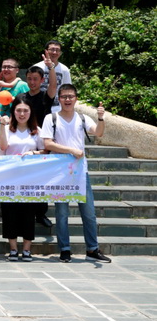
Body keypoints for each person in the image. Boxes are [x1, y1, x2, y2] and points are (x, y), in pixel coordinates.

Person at [40, 84, 111, 263]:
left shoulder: (82, 118)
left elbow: (99, 133)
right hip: (60, 172)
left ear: (76, 99)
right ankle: (65, 249)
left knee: (89, 213)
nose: (67, 100)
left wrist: (101, 118)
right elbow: (47, 143)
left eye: (71, 96)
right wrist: (71, 150)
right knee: (62, 213)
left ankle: (92, 249)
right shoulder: (51, 118)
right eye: (64, 96)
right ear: (59, 99)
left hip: (80, 172)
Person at [0, 95, 46, 262]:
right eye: (19, 110)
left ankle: (26, 249)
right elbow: (2, 147)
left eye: (25, 110)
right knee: (9, 213)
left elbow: (45, 151)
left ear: (31, 112)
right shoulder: (6, 129)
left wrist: (33, 153)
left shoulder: (37, 131)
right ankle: (13, 249)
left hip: (30, 180)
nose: (22, 114)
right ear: (13, 112)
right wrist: (2, 125)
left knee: (28, 214)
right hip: (9, 179)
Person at [24, 57, 57, 229]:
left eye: (35, 79)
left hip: (43, 142)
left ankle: (41, 213)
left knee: (42, 179)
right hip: (25, 141)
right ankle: (25, 210)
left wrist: (51, 67)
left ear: (41, 80)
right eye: (29, 79)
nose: (32, 82)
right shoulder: (21, 97)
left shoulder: (45, 96)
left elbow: (53, 86)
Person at [34, 40, 71, 113]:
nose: (54, 52)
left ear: (60, 53)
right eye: (52, 50)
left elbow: (68, 89)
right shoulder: (37, 67)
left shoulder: (64, 69)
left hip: (57, 108)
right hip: (38, 106)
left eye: (57, 50)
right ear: (46, 51)